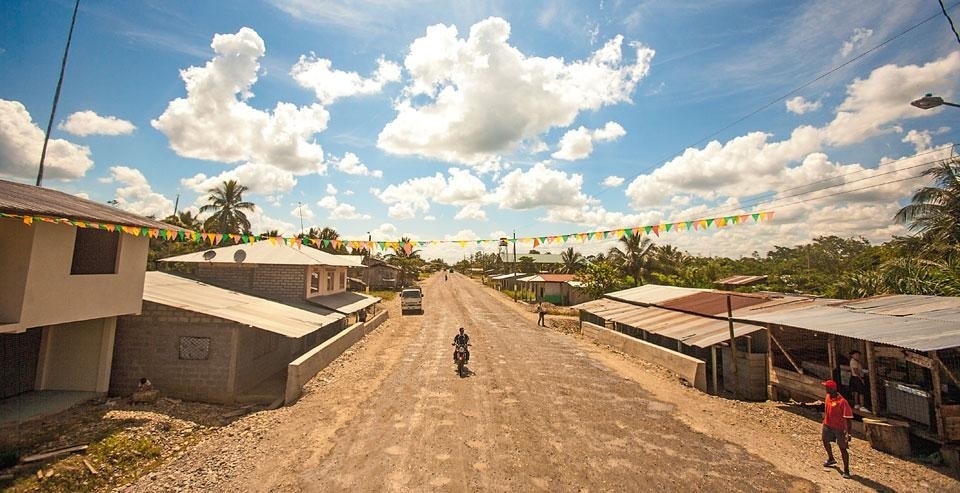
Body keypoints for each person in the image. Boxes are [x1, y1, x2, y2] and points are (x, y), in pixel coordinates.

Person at [821, 379, 854, 479]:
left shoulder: (842, 402)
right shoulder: (827, 397)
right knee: (825, 440)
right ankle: (831, 458)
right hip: (828, 424)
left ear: (832, 389)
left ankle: (846, 470)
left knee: (842, 448)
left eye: (827, 387)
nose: (825, 388)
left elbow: (848, 419)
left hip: (839, 428)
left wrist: (848, 433)